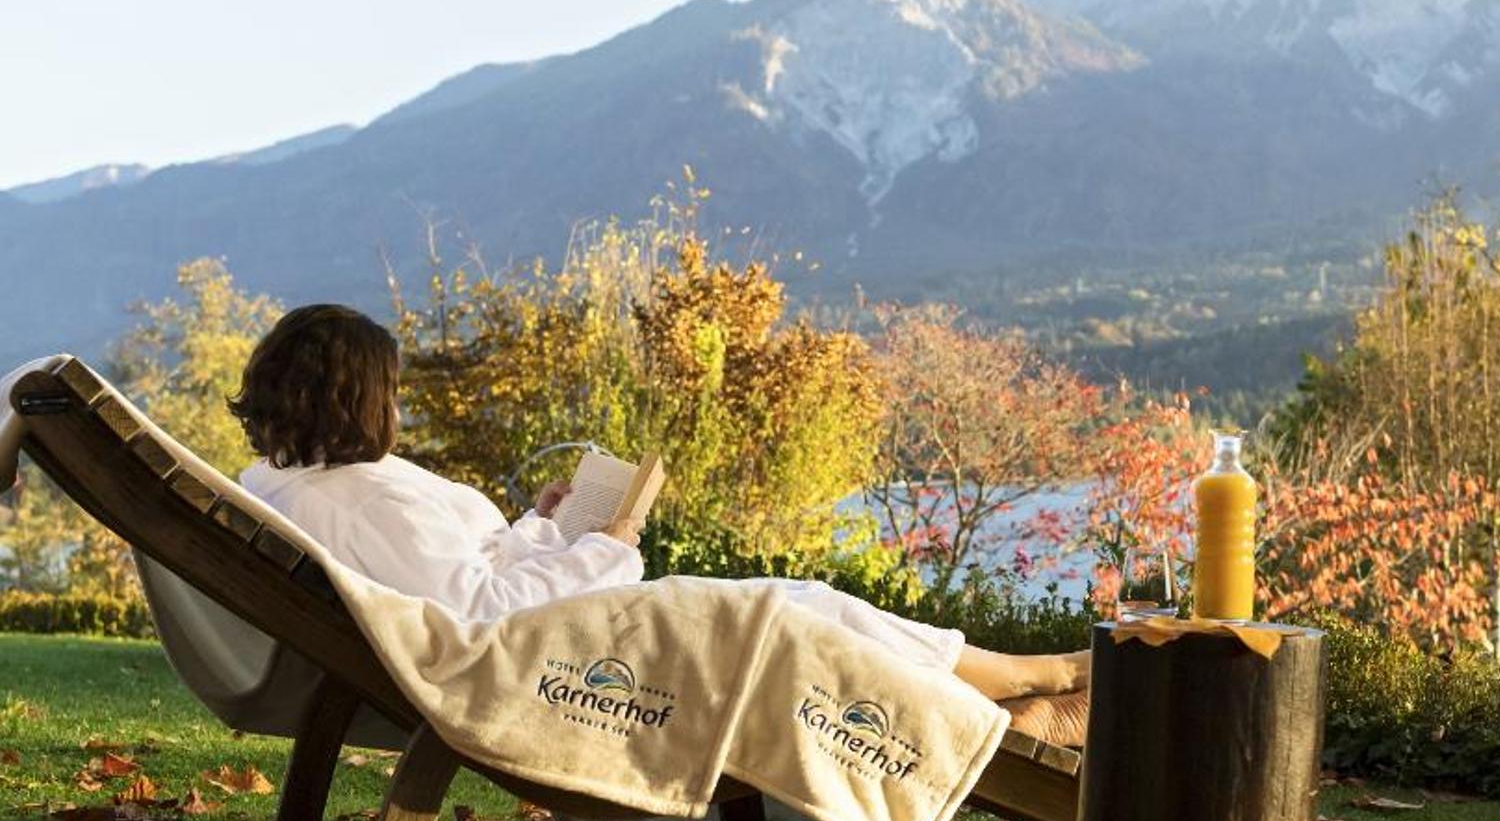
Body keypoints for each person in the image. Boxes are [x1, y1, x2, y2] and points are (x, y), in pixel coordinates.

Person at [226, 303, 1089, 706]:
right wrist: (610, 543)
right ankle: (1028, 680)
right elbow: (478, 615)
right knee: (793, 611)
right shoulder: (361, 497)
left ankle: (1010, 686)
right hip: (557, 662)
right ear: (361, 396)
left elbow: (455, 579)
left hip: (548, 634)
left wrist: (542, 527)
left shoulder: (294, 482)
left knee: (793, 606)